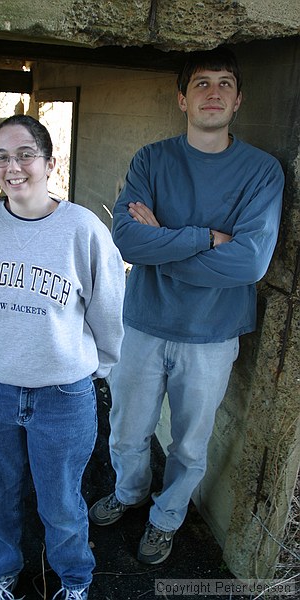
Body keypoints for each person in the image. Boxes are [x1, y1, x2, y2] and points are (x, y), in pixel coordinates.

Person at [89, 47, 284, 566]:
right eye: (201, 83)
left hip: (213, 334)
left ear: (239, 100)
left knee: (190, 444)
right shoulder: (152, 160)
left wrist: (166, 244)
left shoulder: (262, 172)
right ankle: (130, 494)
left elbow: (248, 264)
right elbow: (128, 241)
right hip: (144, 324)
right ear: (182, 98)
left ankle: (166, 517)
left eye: (224, 84)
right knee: (129, 430)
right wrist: (205, 238)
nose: (213, 92)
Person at [0, 114, 125, 600]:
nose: (14, 167)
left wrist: (93, 368)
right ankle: (2, 572)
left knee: (62, 503)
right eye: (2, 156)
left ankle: (73, 580)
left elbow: (109, 313)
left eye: (26, 154)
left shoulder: (83, 230)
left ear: (50, 163)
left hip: (64, 394)